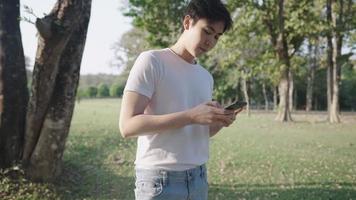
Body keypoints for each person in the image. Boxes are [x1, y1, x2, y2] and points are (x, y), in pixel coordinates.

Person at [119, 0, 241, 199]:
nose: (210, 42)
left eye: (217, 37)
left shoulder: (205, 77)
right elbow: (127, 126)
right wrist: (191, 116)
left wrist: (219, 123)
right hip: (158, 180)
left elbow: (193, 133)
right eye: (207, 31)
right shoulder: (152, 61)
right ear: (187, 22)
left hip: (199, 178)